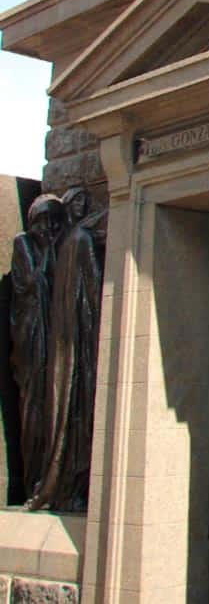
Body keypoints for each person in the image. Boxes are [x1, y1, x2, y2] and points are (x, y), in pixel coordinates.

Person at [27, 187, 106, 511]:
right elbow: (96, 290)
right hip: (75, 341)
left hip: (76, 341)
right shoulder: (77, 241)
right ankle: (66, 485)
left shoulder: (73, 241)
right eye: (75, 204)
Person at [9, 194, 64, 499]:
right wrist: (50, 249)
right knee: (32, 405)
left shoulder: (53, 247)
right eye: (44, 221)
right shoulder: (24, 244)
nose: (49, 227)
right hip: (30, 335)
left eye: (55, 221)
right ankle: (33, 478)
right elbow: (33, 280)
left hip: (49, 333)